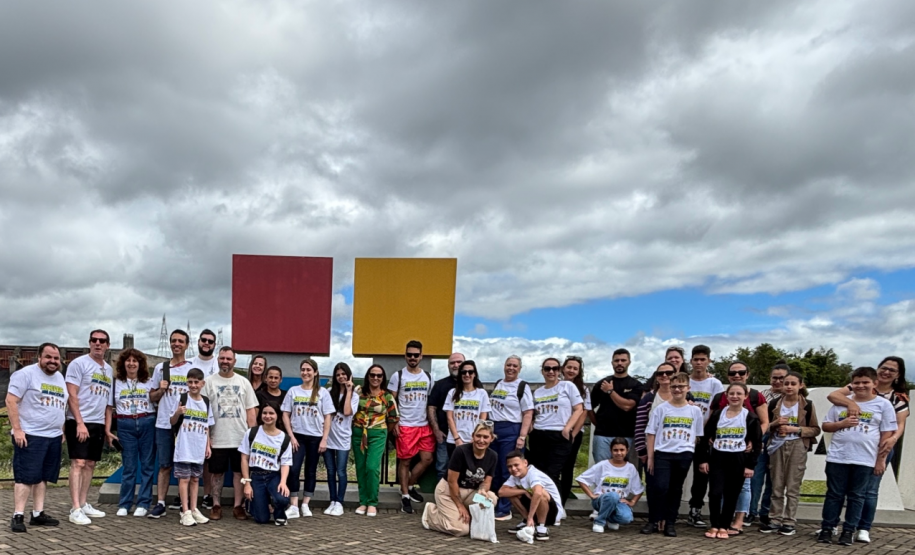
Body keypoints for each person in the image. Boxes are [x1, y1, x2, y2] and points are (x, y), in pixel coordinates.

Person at [826, 356, 908, 543]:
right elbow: (832, 396)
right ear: (878, 370)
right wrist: (851, 404)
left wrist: (892, 440)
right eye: (884, 367)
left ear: (898, 375)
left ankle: (863, 527)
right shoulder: (856, 385)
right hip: (846, 452)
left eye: (892, 370)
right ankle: (831, 526)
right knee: (839, 492)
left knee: (869, 491)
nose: (887, 372)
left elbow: (899, 424)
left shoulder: (898, 397)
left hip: (881, 446)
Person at [6, 343, 67, 533]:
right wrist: (17, 429)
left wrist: (62, 429)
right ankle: (18, 515)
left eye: (56, 358)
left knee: (43, 477)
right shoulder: (25, 374)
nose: (53, 361)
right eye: (48, 357)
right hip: (31, 435)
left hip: (53, 436)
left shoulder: (59, 377)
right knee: (25, 477)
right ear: (39, 357)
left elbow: (61, 405)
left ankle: (37, 513)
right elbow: (10, 400)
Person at [707, 361, 770, 529]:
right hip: (720, 454)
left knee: (740, 490)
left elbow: (764, 423)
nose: (737, 375)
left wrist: (751, 441)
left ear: (747, 374)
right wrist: (710, 438)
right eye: (733, 373)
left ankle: (737, 522)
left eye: (741, 372)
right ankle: (717, 524)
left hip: (742, 453)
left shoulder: (755, 400)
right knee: (716, 491)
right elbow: (710, 425)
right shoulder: (719, 400)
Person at [697, 383, 762, 539]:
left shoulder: (750, 417)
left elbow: (757, 443)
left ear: (745, 396)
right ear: (726, 395)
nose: (735, 396)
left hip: (738, 459)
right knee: (715, 493)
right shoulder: (718, 414)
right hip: (718, 457)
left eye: (739, 393)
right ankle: (714, 525)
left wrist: (750, 465)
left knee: (732, 494)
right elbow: (705, 438)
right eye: (731, 393)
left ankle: (724, 526)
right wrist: (703, 460)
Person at [644, 372, 704, 537]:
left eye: (681, 386)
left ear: (688, 388)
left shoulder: (695, 411)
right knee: (660, 487)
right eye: (674, 386)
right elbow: (651, 433)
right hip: (662, 453)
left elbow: (698, 436)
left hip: (684, 454)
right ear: (670, 387)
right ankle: (654, 520)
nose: (677, 389)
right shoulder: (661, 409)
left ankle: (670, 522)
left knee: (675, 489)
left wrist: (696, 456)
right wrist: (650, 457)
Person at [202, 347, 258, 521]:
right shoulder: (208, 382)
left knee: (239, 473)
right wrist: (206, 440)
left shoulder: (243, 382)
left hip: (240, 437)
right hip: (217, 437)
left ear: (234, 361)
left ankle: (238, 506)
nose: (225, 361)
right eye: (222, 358)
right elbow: (202, 412)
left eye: (228, 358)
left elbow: (250, 411)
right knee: (216, 474)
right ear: (217, 360)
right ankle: (216, 504)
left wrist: (252, 437)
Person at [64, 329, 114, 525]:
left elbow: (108, 404)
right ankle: (75, 507)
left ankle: (84, 503)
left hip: (97, 423)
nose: (98, 344)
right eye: (94, 340)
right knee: (78, 463)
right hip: (79, 421)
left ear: (107, 345)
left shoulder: (108, 370)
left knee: (91, 464)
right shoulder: (79, 364)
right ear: (89, 343)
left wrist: (107, 429)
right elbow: (71, 395)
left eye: (102, 341)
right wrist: (79, 422)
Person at [761, 371, 819, 536]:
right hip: (777, 446)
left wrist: (796, 429)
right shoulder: (774, 404)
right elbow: (766, 426)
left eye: (793, 383)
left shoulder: (807, 405)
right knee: (776, 484)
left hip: (797, 445)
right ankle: (774, 519)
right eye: (786, 383)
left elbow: (815, 429)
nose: (789, 387)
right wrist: (775, 423)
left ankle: (789, 521)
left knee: (793, 486)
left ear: (801, 385)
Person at [421, 422, 499, 536]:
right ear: (473, 436)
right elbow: (452, 482)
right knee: (461, 530)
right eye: (478, 436)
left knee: (490, 499)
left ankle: (466, 519)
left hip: (471, 492)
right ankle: (431, 514)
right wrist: (460, 506)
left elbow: (487, 481)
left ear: (491, 438)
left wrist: (483, 490)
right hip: (449, 491)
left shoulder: (493, 456)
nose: (481, 440)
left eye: (485, 437)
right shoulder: (461, 451)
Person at [148, 329, 194, 518]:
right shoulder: (161, 368)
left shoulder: (192, 367)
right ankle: (160, 502)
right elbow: (151, 397)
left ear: (186, 345)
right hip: (164, 423)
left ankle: (185, 502)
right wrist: (160, 390)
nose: (177, 344)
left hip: (187, 423)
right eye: (174, 341)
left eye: (180, 341)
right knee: (165, 464)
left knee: (187, 463)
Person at [105, 348, 156, 517]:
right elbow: (109, 407)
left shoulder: (149, 382)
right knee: (129, 466)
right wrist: (107, 429)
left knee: (147, 465)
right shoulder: (116, 383)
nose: (132, 364)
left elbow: (157, 399)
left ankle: (143, 502)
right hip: (125, 423)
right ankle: (125, 503)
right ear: (123, 363)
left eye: (135, 361)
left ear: (140, 364)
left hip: (147, 421)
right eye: (129, 361)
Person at [281, 358, 335, 518]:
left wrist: (324, 439)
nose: (305, 372)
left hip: (315, 437)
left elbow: (327, 417)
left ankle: (306, 504)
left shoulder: (322, 392)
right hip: (297, 436)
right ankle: (294, 505)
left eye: (308, 370)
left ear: (315, 372)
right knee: (293, 470)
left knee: (311, 471)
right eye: (303, 369)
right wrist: (291, 436)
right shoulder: (293, 391)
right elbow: (285, 413)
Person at [388, 340, 435, 514]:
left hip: (424, 426)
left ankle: (408, 485)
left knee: (427, 459)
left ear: (421, 356)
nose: (413, 357)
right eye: (410, 354)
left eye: (416, 355)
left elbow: (431, 402)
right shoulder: (398, 376)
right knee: (405, 461)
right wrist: (395, 422)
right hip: (406, 425)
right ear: (405, 355)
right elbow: (391, 401)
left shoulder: (428, 377)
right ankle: (406, 496)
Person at [488, 354, 534, 520]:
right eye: (509, 365)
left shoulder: (522, 386)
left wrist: (522, 436)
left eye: (515, 366)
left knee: (507, 468)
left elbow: (528, 412)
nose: (511, 368)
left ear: (519, 369)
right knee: (493, 468)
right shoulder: (499, 384)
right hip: (495, 429)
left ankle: (505, 508)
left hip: (511, 428)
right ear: (504, 366)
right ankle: (491, 503)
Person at [528, 357, 583, 491]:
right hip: (539, 435)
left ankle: (556, 509)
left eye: (555, 368)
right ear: (542, 371)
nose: (551, 371)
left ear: (560, 371)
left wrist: (567, 429)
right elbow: (534, 413)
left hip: (559, 435)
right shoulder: (538, 392)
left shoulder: (567, 386)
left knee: (553, 474)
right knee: (539, 474)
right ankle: (543, 508)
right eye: (547, 368)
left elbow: (579, 408)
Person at [352, 365, 399, 517]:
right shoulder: (359, 392)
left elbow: (393, 418)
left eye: (379, 375)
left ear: (383, 378)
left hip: (378, 433)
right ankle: (363, 501)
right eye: (372, 375)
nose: (375, 378)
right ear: (368, 376)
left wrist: (382, 430)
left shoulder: (387, 396)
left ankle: (372, 502)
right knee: (360, 467)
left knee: (372, 467)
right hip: (359, 432)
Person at [170, 367, 214, 526]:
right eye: (190, 382)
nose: (193, 385)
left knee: (195, 479)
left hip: (198, 447)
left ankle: (194, 509)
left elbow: (207, 425)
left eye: (196, 382)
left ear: (202, 383)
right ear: (186, 382)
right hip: (184, 446)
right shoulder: (182, 398)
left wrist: (208, 445)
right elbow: (172, 422)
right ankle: (185, 510)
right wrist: (177, 413)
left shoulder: (206, 402)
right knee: (184, 478)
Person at [686, 345, 724, 528]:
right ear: (691, 361)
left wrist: (708, 433)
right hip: (685, 435)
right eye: (696, 359)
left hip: (704, 435)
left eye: (703, 359)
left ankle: (695, 510)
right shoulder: (685, 381)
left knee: (701, 475)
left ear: (709, 361)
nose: (699, 363)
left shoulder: (714, 384)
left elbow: (716, 410)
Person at [748, 361, 789, 527]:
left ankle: (767, 513)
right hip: (763, 439)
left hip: (781, 442)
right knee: (755, 477)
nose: (778, 381)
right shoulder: (761, 396)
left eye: (782, 379)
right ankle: (751, 511)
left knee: (774, 480)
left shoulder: (793, 399)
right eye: (774, 378)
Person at [239, 404, 292, 525]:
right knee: (262, 519)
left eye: (271, 413)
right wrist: (247, 483)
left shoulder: (284, 438)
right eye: (265, 413)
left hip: (273, 475)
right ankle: (251, 504)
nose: (267, 416)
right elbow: (244, 458)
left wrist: (283, 482)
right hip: (256, 476)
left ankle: (279, 514)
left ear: (277, 416)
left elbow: (285, 463)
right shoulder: (252, 433)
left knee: (282, 498)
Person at [576, 437, 643, 533]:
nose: (619, 453)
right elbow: (581, 479)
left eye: (622, 450)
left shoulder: (630, 468)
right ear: (611, 451)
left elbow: (639, 489)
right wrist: (591, 495)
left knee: (627, 518)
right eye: (615, 450)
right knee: (613, 495)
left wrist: (632, 501)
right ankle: (599, 522)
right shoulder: (603, 465)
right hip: (601, 500)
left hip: (619, 502)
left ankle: (610, 518)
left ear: (627, 451)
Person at [498, 450, 565, 541]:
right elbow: (501, 492)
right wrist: (523, 491)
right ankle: (528, 522)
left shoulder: (533, 474)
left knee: (540, 493)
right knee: (511, 492)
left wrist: (530, 517)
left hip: (552, 513)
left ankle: (541, 526)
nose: (513, 469)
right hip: (535, 509)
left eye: (516, 465)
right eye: (510, 466)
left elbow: (538, 493)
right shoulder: (515, 476)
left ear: (525, 463)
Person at [589, 348, 642, 464]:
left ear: (629, 362)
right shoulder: (601, 384)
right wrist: (598, 424)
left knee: (627, 472)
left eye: (623, 360)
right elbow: (589, 407)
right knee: (602, 470)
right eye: (616, 360)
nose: (620, 363)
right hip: (602, 435)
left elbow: (628, 406)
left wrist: (610, 392)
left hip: (628, 435)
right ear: (612, 362)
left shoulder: (636, 385)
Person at [635, 363, 688, 465]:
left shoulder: (687, 397)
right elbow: (640, 425)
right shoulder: (648, 398)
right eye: (660, 373)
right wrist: (642, 450)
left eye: (668, 373)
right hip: (654, 450)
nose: (664, 375)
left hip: (680, 451)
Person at [324, 362, 357, 516]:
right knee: (330, 471)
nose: (341, 377)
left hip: (343, 439)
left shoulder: (354, 395)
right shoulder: (329, 392)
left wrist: (349, 390)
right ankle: (332, 500)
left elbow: (347, 411)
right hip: (329, 438)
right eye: (338, 375)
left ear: (349, 375)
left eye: (344, 374)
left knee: (341, 471)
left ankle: (340, 502)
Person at [444, 360, 491, 459]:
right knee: (454, 471)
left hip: (474, 441)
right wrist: (457, 439)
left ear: (474, 374)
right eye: (463, 372)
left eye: (470, 372)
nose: (467, 374)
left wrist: (475, 438)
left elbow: (482, 419)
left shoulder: (482, 393)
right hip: (454, 440)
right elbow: (449, 418)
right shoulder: (452, 392)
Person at [428, 353, 464, 480]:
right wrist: (436, 430)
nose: (456, 365)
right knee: (442, 468)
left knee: (465, 469)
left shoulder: (475, 385)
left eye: (459, 362)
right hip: (444, 435)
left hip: (467, 437)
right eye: (452, 363)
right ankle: (441, 498)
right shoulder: (440, 385)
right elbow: (431, 407)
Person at [559, 356, 590, 505]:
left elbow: (583, 412)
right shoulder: (555, 385)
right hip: (555, 432)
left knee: (567, 467)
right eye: (569, 367)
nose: (571, 370)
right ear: (563, 368)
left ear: (579, 371)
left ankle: (563, 502)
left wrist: (573, 433)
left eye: (575, 368)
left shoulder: (583, 390)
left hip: (573, 433)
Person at [256, 366, 287, 432]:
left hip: (281, 433)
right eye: (270, 377)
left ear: (280, 379)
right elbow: (255, 417)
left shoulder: (286, 395)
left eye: (276, 378)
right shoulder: (259, 395)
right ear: (265, 378)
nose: (273, 380)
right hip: (263, 432)